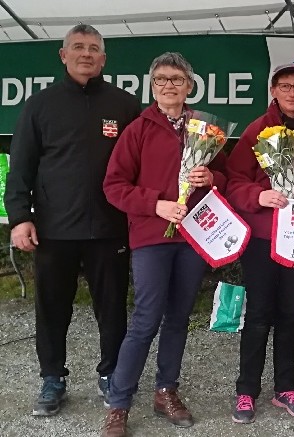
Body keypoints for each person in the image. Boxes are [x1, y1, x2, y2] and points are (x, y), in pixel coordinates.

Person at [4, 24, 141, 417]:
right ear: (63, 56)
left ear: (104, 59)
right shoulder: (40, 105)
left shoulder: (125, 105)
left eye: (94, 48)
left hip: (109, 228)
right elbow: (21, 168)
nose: (86, 54)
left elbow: (141, 167)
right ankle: (52, 378)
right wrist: (19, 218)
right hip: (52, 229)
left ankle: (111, 374)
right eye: (77, 47)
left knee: (112, 307)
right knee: (51, 307)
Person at [100, 52, 227, 437]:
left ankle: (165, 391)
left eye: (176, 79)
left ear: (189, 85)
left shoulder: (205, 129)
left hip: (193, 236)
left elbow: (227, 176)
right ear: (151, 86)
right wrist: (156, 203)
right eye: (160, 79)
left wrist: (211, 176)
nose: (168, 85)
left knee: (178, 319)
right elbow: (114, 186)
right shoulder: (137, 129)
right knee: (145, 319)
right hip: (151, 237)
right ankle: (119, 404)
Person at [226, 64, 294, 424]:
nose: (291, 92)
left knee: (290, 313)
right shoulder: (256, 131)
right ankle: (246, 391)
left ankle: (285, 387)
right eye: (285, 86)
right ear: (274, 90)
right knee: (258, 314)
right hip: (261, 237)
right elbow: (234, 181)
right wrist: (259, 196)